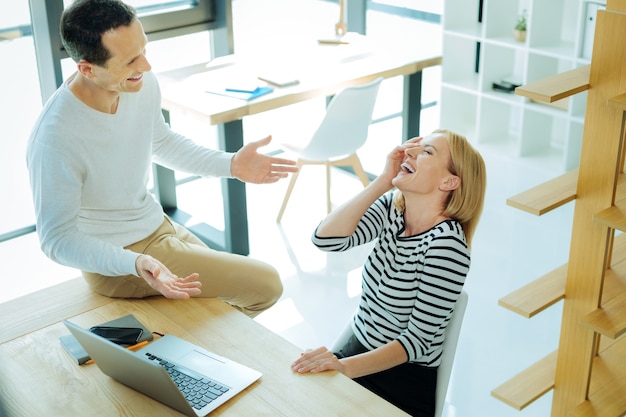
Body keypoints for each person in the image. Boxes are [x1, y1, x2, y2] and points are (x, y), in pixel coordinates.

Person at [26, 0, 298, 318]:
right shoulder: (55, 138)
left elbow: (161, 142)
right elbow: (56, 239)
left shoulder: (138, 83)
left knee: (231, 303)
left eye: (144, 50)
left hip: (157, 226)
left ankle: (196, 355)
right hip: (118, 258)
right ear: (87, 69)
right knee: (266, 285)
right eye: (129, 60)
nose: (146, 66)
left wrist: (230, 164)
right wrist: (134, 263)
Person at [291, 129, 486, 416]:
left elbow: (416, 343)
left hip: (399, 381)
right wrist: (383, 182)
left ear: (449, 181)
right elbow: (326, 239)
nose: (410, 152)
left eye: (427, 152)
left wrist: (344, 367)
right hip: (356, 351)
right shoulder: (393, 208)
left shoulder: (446, 247)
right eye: (414, 147)